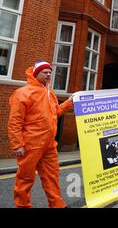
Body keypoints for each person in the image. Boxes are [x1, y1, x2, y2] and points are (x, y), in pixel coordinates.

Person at [8, 61, 74, 208]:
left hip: (49, 145)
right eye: (45, 72)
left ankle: (57, 205)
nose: (49, 74)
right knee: (25, 178)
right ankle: (23, 205)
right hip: (31, 145)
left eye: (50, 72)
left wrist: (69, 103)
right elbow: (15, 121)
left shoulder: (49, 93)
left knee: (52, 177)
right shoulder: (23, 93)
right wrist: (17, 144)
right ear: (36, 73)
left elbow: (55, 112)